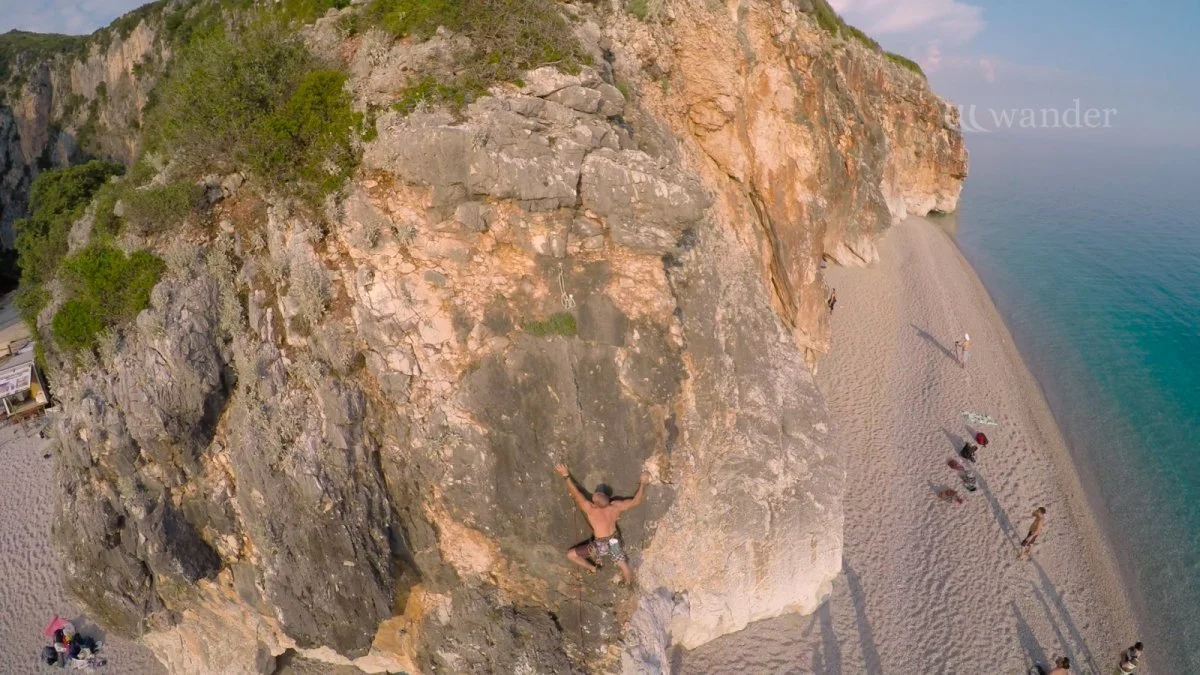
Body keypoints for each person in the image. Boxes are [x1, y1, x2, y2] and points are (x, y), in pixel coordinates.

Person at [557, 464, 649, 585]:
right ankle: (628, 583)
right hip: (613, 541)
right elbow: (636, 501)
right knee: (623, 565)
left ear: (594, 503)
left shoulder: (590, 509)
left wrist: (565, 475)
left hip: (599, 545)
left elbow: (576, 493)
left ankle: (592, 568)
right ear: (607, 498)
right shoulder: (615, 506)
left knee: (571, 555)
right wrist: (643, 483)